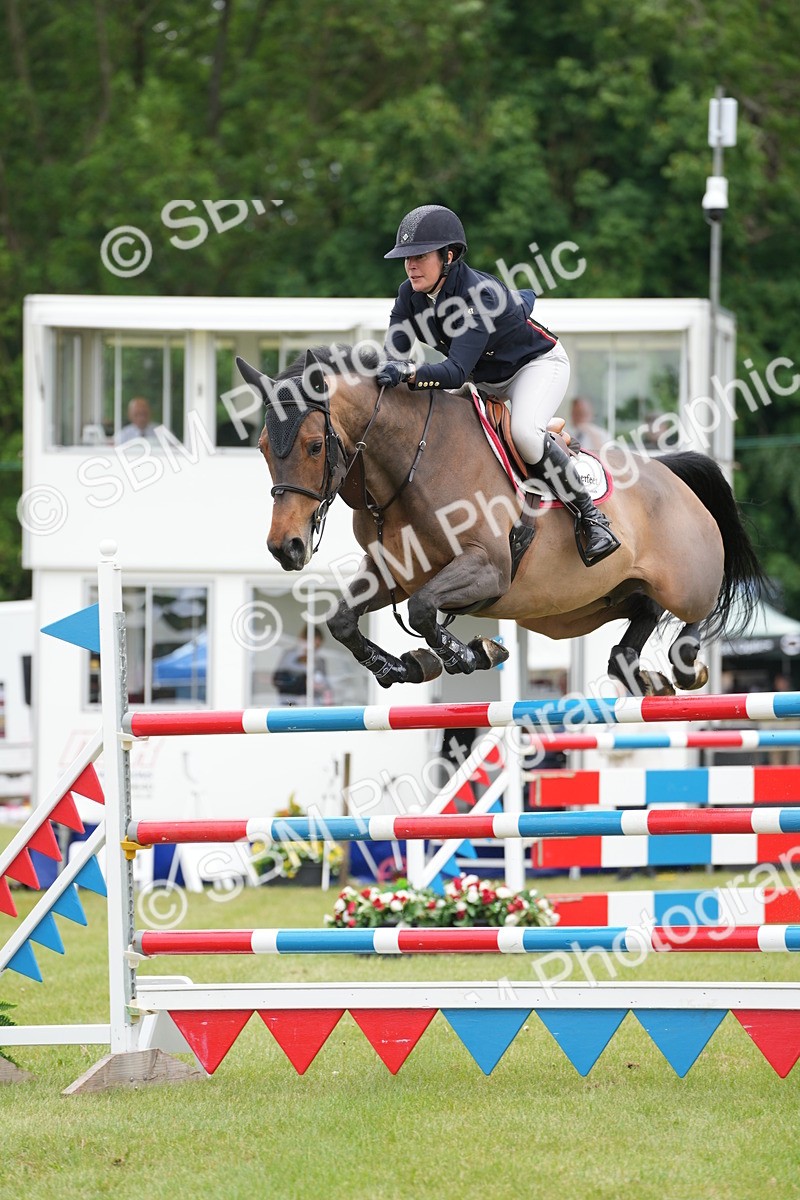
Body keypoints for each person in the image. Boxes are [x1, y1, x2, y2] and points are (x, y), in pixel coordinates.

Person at [378, 204, 619, 565]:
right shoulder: (408, 296)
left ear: (449, 255)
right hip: (485, 379)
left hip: (535, 367)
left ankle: (591, 517)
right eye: (406, 257)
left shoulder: (478, 299)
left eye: (420, 256)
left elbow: (456, 372)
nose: (411, 265)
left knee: (523, 432)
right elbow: (392, 356)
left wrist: (410, 374)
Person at [272, 626, 331, 707]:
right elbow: (278, 680)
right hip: (290, 703)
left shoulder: (320, 661)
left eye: (317, 647)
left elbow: (326, 685)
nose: (314, 650)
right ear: (303, 640)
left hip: (314, 704)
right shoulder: (289, 656)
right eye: (313, 646)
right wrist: (304, 681)